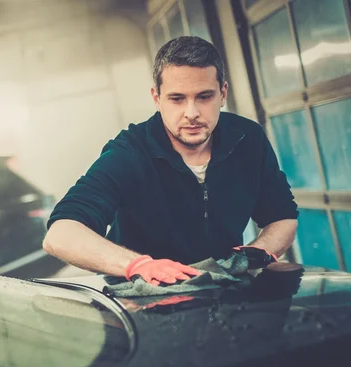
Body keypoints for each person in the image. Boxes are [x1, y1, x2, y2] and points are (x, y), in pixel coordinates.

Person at [42, 36, 298, 286]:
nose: (192, 113)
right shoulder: (129, 152)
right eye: (177, 99)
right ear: (157, 98)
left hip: (223, 291)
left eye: (204, 96)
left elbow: (283, 217)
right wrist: (138, 265)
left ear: (223, 93)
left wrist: (253, 255)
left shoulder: (248, 139)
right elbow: (61, 234)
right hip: (141, 303)